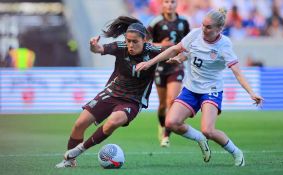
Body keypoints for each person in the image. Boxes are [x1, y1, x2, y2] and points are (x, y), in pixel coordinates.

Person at [136, 8, 264, 166]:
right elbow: (175, 49)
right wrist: (150, 63)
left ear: (219, 29)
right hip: (190, 89)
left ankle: (236, 152)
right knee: (171, 123)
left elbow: (237, 72)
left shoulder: (225, 45)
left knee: (208, 130)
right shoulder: (195, 34)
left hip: (211, 90)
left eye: (208, 27)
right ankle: (200, 139)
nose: (204, 29)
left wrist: (251, 92)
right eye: (203, 25)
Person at [55, 16, 163, 168]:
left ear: (144, 40)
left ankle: (79, 150)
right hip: (112, 92)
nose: (130, 45)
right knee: (80, 124)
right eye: (128, 40)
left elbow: (175, 50)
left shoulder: (153, 51)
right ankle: (69, 162)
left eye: (135, 41)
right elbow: (98, 49)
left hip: (133, 100)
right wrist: (93, 45)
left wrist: (179, 57)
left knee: (113, 122)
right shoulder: (120, 47)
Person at [147, 0, 190, 147]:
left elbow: (189, 43)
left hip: (176, 66)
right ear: (162, 5)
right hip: (160, 66)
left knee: (171, 101)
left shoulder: (184, 22)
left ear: (176, 4)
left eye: (172, 2)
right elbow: (144, 43)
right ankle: (161, 124)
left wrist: (182, 54)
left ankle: (166, 135)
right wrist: (162, 45)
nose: (170, 4)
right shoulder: (155, 22)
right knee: (162, 105)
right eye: (167, 2)